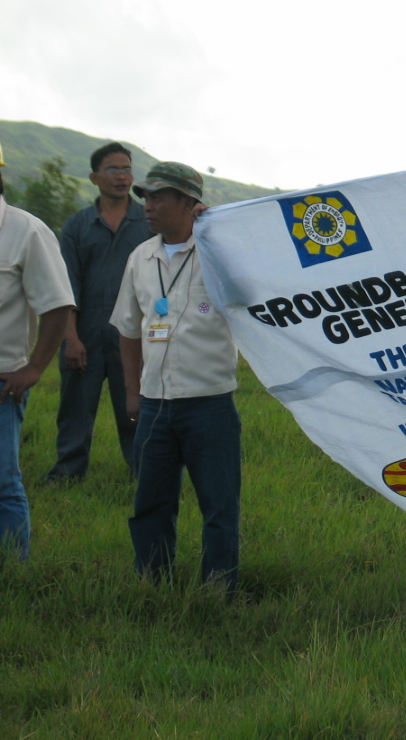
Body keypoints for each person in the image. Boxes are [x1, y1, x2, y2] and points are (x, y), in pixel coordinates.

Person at [110, 162, 242, 591]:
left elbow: (261, 295)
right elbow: (129, 330)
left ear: (189, 203)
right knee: (151, 502)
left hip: (210, 403)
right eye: (145, 197)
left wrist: (219, 227)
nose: (147, 205)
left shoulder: (220, 255)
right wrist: (133, 393)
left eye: (159, 197)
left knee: (219, 506)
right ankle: (152, 584)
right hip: (154, 404)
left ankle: (218, 590)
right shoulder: (140, 258)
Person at [48, 143, 152, 481]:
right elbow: (66, 286)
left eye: (126, 169)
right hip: (85, 334)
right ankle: (67, 473)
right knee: (75, 410)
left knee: (135, 409)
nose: (121, 176)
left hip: (134, 335)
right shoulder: (77, 225)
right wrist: (71, 338)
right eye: (112, 169)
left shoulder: (148, 222)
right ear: (94, 177)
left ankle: (146, 475)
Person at [0, 141, 75, 558]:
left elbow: (58, 304)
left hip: (2, 382)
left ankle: (13, 572)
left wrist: (35, 368)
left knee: (3, 484)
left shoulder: (26, 230)